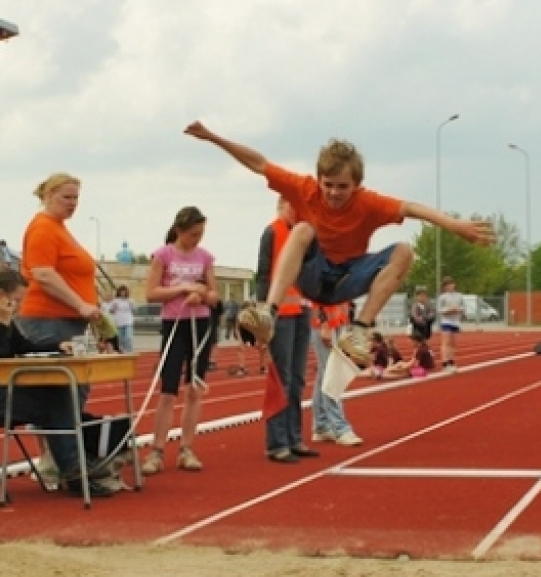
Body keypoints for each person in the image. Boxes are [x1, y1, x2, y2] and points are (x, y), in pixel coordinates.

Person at [184, 121, 493, 368]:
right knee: (303, 228)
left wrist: (456, 226)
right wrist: (213, 137)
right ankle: (268, 312)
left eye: (343, 187)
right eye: (328, 185)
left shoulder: (368, 203)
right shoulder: (305, 190)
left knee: (404, 252)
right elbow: (259, 163)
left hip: (348, 278)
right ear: (319, 180)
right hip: (313, 275)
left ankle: (358, 332)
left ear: (357, 185)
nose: (333, 193)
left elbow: (411, 208)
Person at [0, 270, 114, 497]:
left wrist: (59, 346)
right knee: (56, 400)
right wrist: (3, 323)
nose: (20, 307)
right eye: (17, 300)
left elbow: (25, 346)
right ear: (1, 296)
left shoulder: (6, 325)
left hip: (2, 392)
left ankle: (73, 469)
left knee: (58, 391)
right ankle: (74, 471)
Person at [17, 173, 103, 478]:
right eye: (67, 197)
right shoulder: (42, 228)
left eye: (76, 198)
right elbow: (43, 273)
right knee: (57, 392)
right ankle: (55, 460)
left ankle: (65, 456)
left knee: (75, 390)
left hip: (71, 321)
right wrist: (79, 303)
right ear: (49, 195)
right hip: (48, 320)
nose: (73, 204)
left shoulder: (60, 230)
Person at [141, 206, 218, 474]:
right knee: (168, 391)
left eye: (201, 234)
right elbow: (150, 293)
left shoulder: (206, 257)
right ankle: (157, 451)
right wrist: (183, 288)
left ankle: (187, 448)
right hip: (174, 325)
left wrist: (204, 295)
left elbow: (214, 295)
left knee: (195, 389)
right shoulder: (163, 255)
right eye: (193, 234)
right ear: (179, 231)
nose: (197, 239)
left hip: (200, 325)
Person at [257, 195, 316, 463]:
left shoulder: (307, 234)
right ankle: (277, 442)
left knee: (298, 378)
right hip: (280, 313)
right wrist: (263, 313)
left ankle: (294, 437)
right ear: (282, 204)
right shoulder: (272, 232)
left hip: (303, 310)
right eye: (294, 204)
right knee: (282, 378)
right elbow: (263, 273)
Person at [309, 303, 363, 446]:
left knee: (324, 374)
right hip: (325, 321)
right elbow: (319, 291)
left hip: (337, 320)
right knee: (331, 373)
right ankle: (340, 428)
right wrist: (325, 323)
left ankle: (321, 425)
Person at [436, 276, 463, 373]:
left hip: (456, 321)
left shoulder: (459, 296)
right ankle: (445, 363)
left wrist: (458, 309)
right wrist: (448, 310)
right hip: (446, 321)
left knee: (453, 343)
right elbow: (439, 309)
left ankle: (451, 362)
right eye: (447, 285)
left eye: (451, 284)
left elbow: (463, 307)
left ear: (454, 285)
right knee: (446, 342)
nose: (450, 286)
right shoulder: (442, 297)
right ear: (444, 287)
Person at [107, 285, 136, 353]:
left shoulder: (130, 300)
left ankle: (129, 351)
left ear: (126, 292)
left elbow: (134, 311)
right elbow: (111, 311)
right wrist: (114, 308)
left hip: (128, 321)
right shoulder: (115, 301)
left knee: (128, 337)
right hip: (119, 322)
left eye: (124, 291)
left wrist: (132, 305)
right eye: (121, 291)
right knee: (121, 339)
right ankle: (122, 351)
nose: (123, 293)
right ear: (119, 292)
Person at [409, 286, 435, 351]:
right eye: (420, 296)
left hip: (427, 328)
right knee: (418, 344)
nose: (422, 298)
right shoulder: (415, 306)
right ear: (417, 297)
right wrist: (422, 320)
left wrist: (425, 318)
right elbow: (415, 316)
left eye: (424, 296)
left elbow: (432, 314)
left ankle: (426, 353)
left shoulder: (429, 306)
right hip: (417, 328)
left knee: (425, 342)